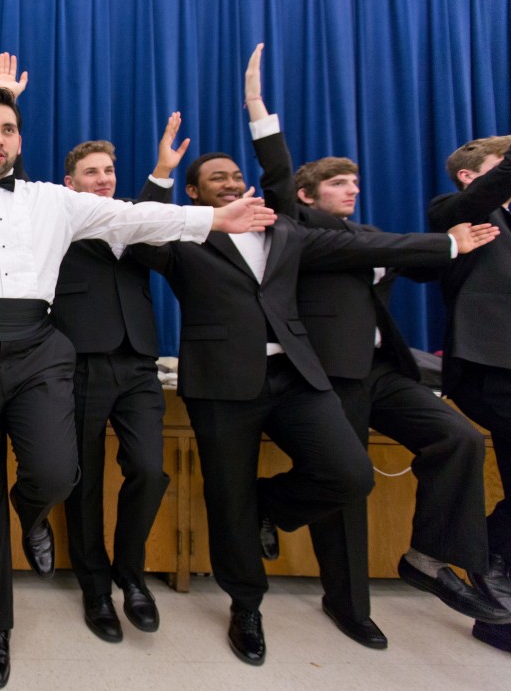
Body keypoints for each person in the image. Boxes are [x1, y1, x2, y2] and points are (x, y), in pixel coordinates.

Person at [0, 0, 276, 689]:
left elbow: (132, 217)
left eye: (8, 129)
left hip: (38, 347)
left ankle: (32, 511)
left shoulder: (56, 200)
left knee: (57, 472)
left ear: (19, 140)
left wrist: (212, 218)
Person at [128, 99, 490, 666]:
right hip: (221, 385)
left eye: (236, 175)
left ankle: (271, 503)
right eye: (215, 177)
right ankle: (246, 606)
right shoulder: (185, 238)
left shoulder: (289, 233)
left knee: (348, 474)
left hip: (296, 375)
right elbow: (139, 230)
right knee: (228, 499)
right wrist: (162, 174)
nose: (230, 182)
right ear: (196, 195)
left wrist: (447, 244)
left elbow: (366, 245)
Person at [246, 44, 508, 648]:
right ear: (310, 197)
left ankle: (427, 557)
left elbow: (407, 256)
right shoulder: (299, 227)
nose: (351, 189)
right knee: (351, 483)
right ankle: (347, 603)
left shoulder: (374, 234)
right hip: (327, 375)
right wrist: (260, 110)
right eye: (338, 182)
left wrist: (451, 243)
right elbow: (281, 184)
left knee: (460, 438)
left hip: (384, 370)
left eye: (355, 182)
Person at [49, 118, 188, 644]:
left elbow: (145, 222)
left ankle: (130, 574)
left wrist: (160, 174)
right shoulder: (60, 220)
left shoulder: (135, 224)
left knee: (150, 471)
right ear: (71, 183)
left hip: (138, 366)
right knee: (82, 483)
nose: (104, 178)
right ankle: (93, 586)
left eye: (109, 170)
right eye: (92, 171)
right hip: (80, 363)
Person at [428, 132, 511, 652]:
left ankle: (492, 598)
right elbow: (485, 194)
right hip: (487, 368)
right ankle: (482, 557)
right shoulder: (460, 211)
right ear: (470, 174)